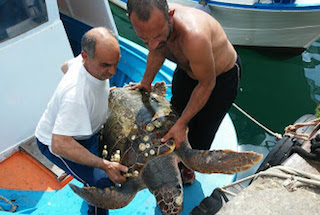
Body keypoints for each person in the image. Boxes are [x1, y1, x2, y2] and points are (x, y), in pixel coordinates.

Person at [127, 0, 242, 184]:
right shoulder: (155, 33)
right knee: (173, 116)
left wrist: (182, 123)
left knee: (201, 132)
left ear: (170, 15)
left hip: (218, 78)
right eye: (145, 40)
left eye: (158, 35)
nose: (153, 44)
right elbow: (157, 52)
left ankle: (189, 168)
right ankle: (173, 161)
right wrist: (145, 83)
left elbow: (206, 84)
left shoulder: (194, 36)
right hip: (187, 69)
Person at [35, 27, 128, 215]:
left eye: (115, 63)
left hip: (86, 131)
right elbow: (60, 144)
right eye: (105, 66)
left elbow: (65, 66)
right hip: (58, 142)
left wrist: (100, 94)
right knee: (102, 183)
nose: (112, 71)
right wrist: (105, 165)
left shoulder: (83, 62)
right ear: (86, 56)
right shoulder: (74, 97)